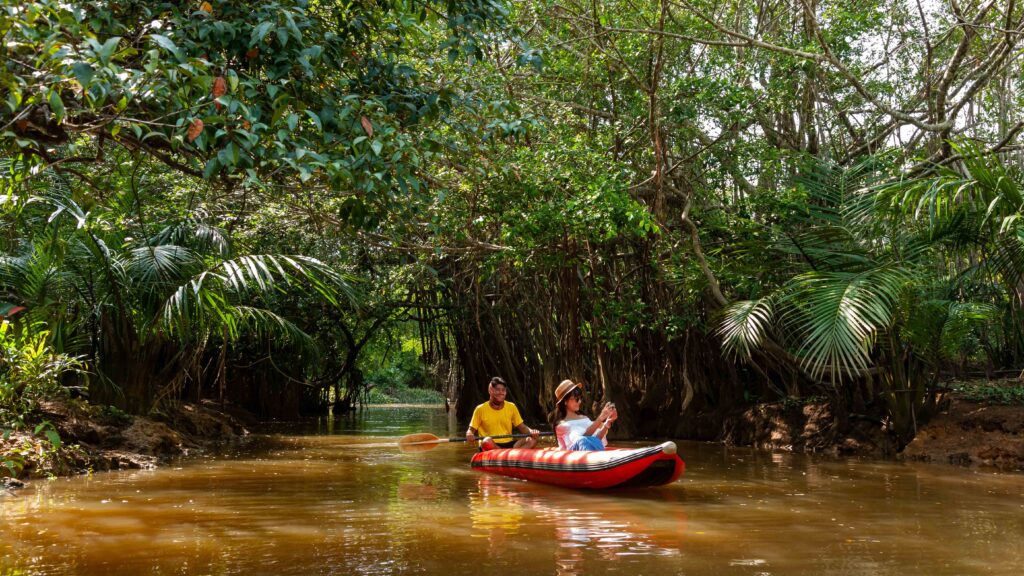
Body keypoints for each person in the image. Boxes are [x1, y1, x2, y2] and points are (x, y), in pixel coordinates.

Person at [466, 376, 540, 450]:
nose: (501, 393)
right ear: (490, 390)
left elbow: (522, 427)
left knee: (532, 440)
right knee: (486, 441)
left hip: (509, 444)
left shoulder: (511, 406)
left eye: (503, 390)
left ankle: (509, 454)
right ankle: (509, 453)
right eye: (497, 390)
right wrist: (469, 434)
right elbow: (471, 430)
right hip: (491, 444)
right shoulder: (480, 409)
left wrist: (532, 432)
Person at [549, 379, 617, 451]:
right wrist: (600, 418)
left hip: (588, 449)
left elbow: (596, 439)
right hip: (573, 454)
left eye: (580, 398)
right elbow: (583, 439)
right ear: (565, 402)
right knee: (581, 440)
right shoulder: (562, 425)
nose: (579, 401)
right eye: (576, 399)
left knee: (592, 440)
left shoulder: (584, 418)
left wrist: (607, 423)